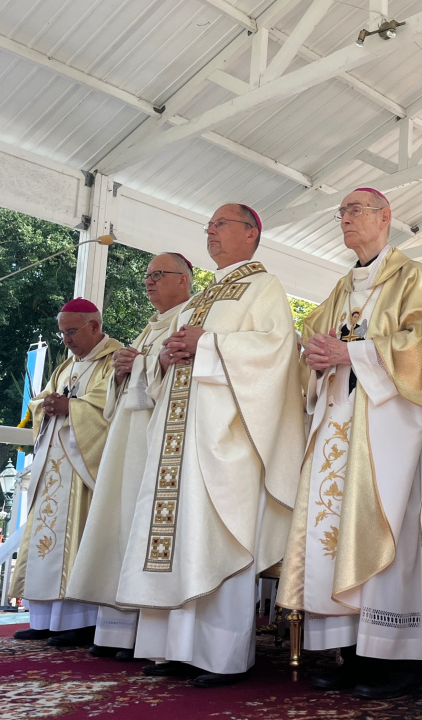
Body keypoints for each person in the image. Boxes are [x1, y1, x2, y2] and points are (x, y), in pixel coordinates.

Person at [115, 204, 304, 688]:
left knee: (215, 538)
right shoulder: (204, 297)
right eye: (209, 226)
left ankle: (221, 657)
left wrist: (209, 344)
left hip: (227, 442)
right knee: (179, 540)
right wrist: (166, 355)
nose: (211, 232)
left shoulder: (264, 287)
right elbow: (177, 355)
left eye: (221, 224)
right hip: (178, 435)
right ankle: (174, 649)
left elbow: (277, 353)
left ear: (251, 233)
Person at [277, 188, 422, 699]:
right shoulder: (341, 286)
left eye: (355, 211)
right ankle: (350, 653)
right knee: (333, 531)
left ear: (385, 217)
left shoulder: (416, 277)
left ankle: (400, 662)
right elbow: (314, 334)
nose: (345, 220)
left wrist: (354, 353)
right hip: (339, 422)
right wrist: (318, 353)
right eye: (342, 212)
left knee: (386, 529)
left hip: (387, 431)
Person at [66, 253, 193, 659]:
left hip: (159, 441)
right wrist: (123, 372)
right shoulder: (147, 329)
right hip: (129, 438)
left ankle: (145, 633)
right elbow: (124, 391)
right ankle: (120, 631)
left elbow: (176, 379)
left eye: (159, 275)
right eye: (147, 275)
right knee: (122, 527)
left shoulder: (189, 321)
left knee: (144, 531)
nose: (149, 282)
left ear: (184, 281)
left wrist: (144, 366)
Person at [10, 299, 122, 646]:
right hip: (54, 467)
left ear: (94, 326)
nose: (66, 340)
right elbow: (42, 398)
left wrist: (70, 407)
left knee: (78, 540)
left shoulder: (114, 360)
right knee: (46, 541)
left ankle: (78, 622)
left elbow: (111, 407)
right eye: (62, 333)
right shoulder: (66, 367)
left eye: (72, 331)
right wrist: (44, 405)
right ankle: (44, 620)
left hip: (83, 469)